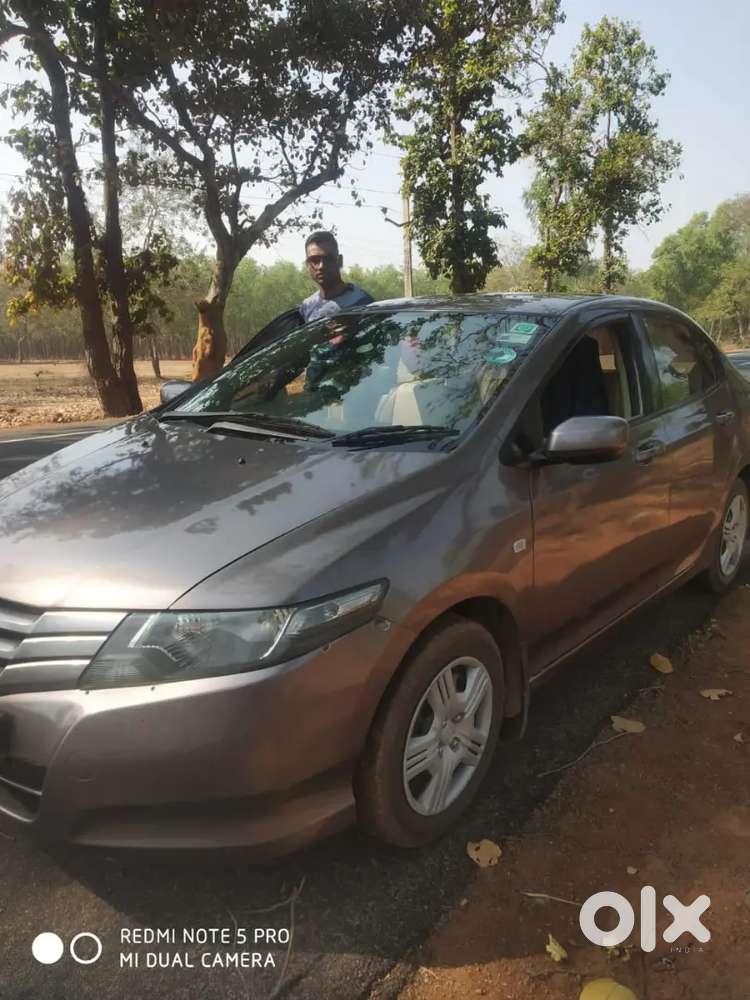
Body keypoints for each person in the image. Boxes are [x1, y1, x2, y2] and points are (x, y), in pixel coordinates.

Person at [300, 231, 374, 322]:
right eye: (315, 260)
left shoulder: (361, 301)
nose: (321, 266)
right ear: (307, 265)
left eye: (328, 259)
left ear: (340, 261)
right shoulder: (307, 306)